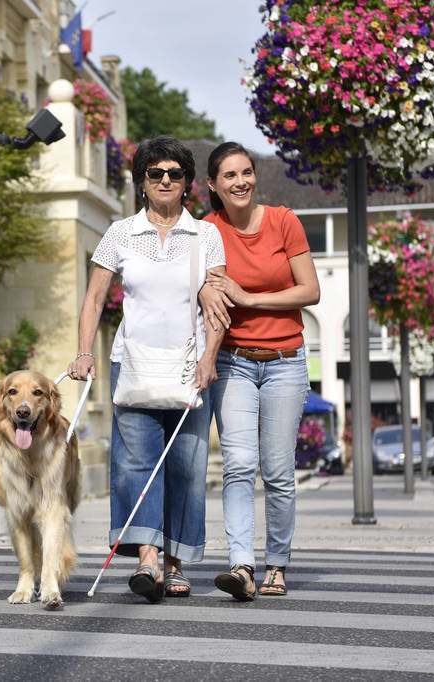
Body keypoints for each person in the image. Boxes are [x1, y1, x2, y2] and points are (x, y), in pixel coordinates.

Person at [68, 136, 226, 602]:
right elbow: (95, 298)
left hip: (189, 367)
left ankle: (176, 564)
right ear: (142, 181)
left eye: (174, 174)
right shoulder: (120, 233)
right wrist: (83, 353)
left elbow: (217, 306)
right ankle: (148, 560)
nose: (164, 180)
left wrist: (210, 358)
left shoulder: (207, 236)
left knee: (186, 465)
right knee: (136, 463)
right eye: (155, 173)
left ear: (187, 184)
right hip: (132, 363)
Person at [201, 141, 320, 601]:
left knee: (277, 471)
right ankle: (241, 565)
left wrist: (250, 299)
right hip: (233, 361)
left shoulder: (283, 221)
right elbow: (202, 290)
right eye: (229, 176)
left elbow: (309, 291)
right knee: (238, 465)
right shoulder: (209, 231)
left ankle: (277, 563)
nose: (240, 182)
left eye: (246, 172)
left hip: (285, 363)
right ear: (213, 185)